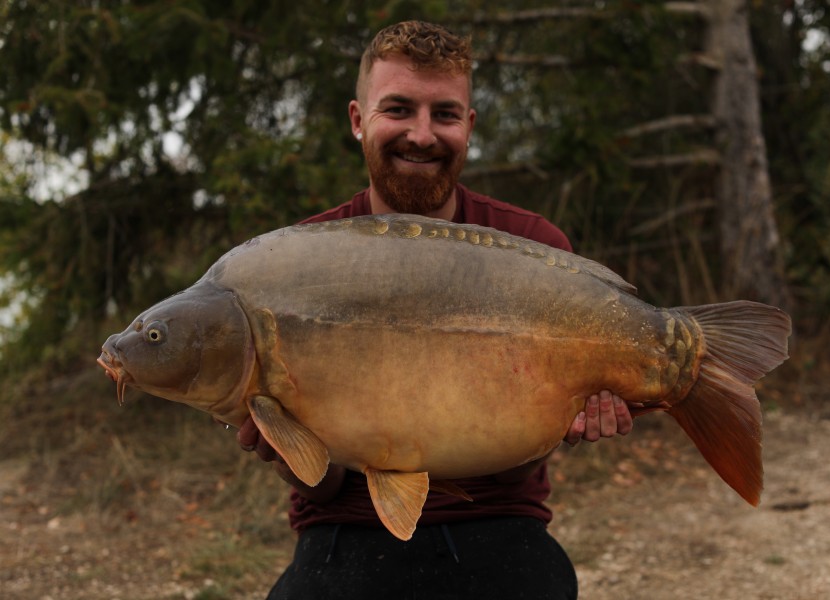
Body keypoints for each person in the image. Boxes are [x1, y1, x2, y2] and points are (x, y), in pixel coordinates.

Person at [237, 20, 634, 600]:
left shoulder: (536, 249)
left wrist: (562, 421)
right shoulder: (294, 260)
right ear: (357, 120)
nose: (422, 136)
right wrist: (283, 447)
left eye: (444, 114)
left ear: (469, 127)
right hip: (347, 530)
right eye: (398, 109)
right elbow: (323, 491)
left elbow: (514, 474)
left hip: (498, 522)